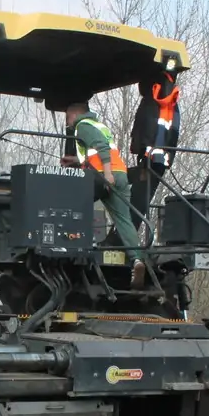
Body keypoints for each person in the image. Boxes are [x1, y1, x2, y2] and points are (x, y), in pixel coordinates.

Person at [60, 101, 147, 289]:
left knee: (70, 202)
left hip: (103, 176)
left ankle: (72, 242)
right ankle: (137, 260)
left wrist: (106, 175)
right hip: (121, 174)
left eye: (68, 117)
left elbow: (101, 147)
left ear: (75, 115)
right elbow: (96, 151)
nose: (67, 122)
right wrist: (76, 161)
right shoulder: (99, 125)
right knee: (124, 220)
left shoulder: (82, 126)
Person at [128, 71, 182, 226]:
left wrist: (143, 152)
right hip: (159, 159)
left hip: (150, 159)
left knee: (136, 199)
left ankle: (123, 236)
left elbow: (146, 129)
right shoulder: (171, 103)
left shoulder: (151, 102)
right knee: (138, 200)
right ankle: (123, 235)